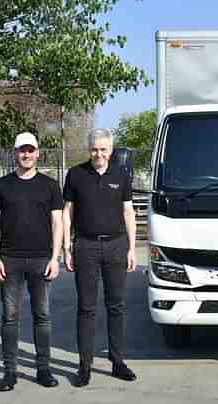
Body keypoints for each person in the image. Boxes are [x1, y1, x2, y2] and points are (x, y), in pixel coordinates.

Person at [0, 132, 63, 392]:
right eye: (22, 150)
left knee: (42, 316)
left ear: (38, 153)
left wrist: (55, 257)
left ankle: (43, 368)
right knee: (10, 317)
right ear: (15, 152)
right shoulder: (1, 186)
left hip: (41, 260)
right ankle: (10, 372)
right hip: (10, 260)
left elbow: (57, 222)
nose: (26, 154)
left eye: (31, 150)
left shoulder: (50, 186)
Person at [63, 128, 137, 387]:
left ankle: (118, 362)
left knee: (116, 306)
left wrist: (131, 248)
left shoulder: (122, 175)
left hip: (116, 246)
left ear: (111, 149)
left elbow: (129, 213)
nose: (99, 154)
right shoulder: (75, 175)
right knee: (86, 308)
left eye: (103, 149)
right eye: (95, 149)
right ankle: (85, 366)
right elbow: (67, 213)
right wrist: (66, 247)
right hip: (86, 247)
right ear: (89, 149)